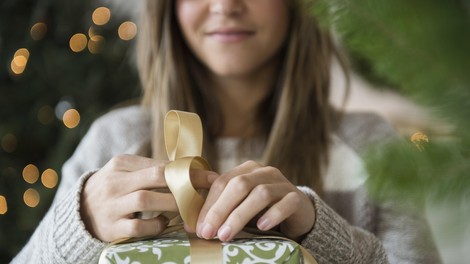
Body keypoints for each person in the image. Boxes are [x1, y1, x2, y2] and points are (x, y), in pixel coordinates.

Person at [11, 0, 441, 263]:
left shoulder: (369, 143)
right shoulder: (116, 140)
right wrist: (79, 224)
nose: (225, 4)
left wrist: (320, 235)